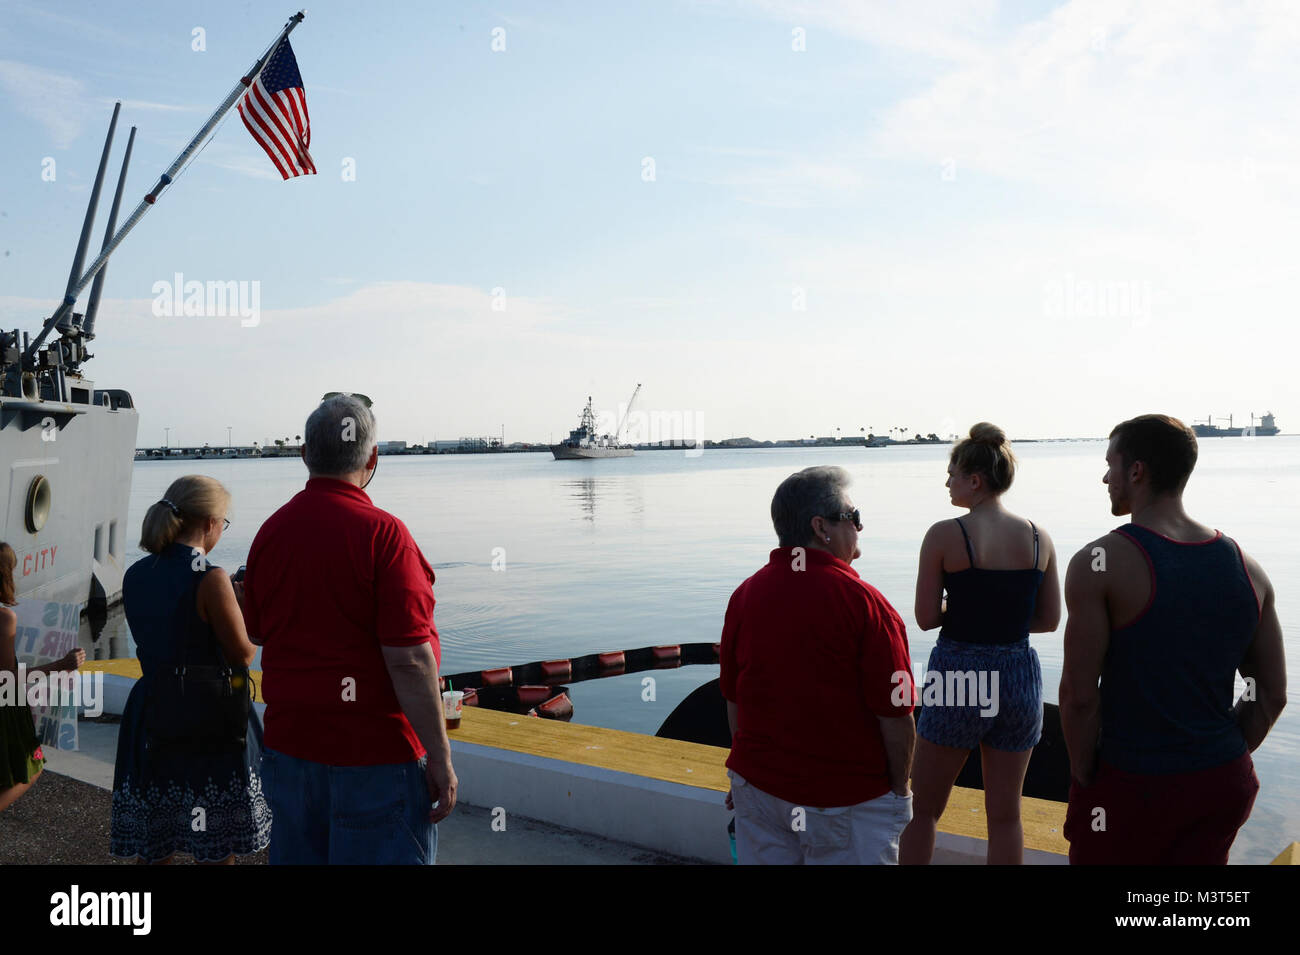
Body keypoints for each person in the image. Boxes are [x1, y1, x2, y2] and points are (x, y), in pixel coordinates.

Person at [1060, 414, 1287, 864]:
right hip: (1222, 781)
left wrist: (1086, 773)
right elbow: (1271, 694)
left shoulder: (1098, 562)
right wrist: (1224, 751)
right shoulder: (1248, 568)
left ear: (1137, 471)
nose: (1106, 477)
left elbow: (1080, 698)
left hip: (1132, 781)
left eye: (1112, 464)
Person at [241, 393, 456, 865]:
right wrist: (440, 759)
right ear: (372, 458)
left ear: (305, 455)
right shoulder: (385, 535)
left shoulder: (270, 533)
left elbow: (255, 633)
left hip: (290, 754)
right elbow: (410, 659)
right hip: (376, 759)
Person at [720, 465, 916, 865]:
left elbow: (734, 696)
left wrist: (747, 771)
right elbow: (896, 714)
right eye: (853, 517)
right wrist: (898, 792)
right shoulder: (866, 605)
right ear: (821, 527)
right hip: (844, 801)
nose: (860, 527)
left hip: (758, 790)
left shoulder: (746, 594)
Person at [900, 423, 1060, 865]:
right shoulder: (1038, 537)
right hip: (1018, 677)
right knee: (1006, 816)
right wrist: (1003, 612)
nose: (946, 481)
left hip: (959, 675)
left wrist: (968, 608)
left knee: (925, 809)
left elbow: (927, 617)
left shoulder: (944, 535)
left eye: (952, 472)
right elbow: (1048, 620)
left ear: (975, 480)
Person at [110, 477, 269, 863]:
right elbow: (243, 655)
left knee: (156, 841)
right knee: (216, 845)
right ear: (212, 522)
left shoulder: (135, 574)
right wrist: (243, 606)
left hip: (152, 710)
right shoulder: (211, 578)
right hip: (210, 715)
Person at [0, 542, 86, 813]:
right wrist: (62, 664)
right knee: (31, 765)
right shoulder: (4, 619)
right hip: (5, 711)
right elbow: (8, 678)